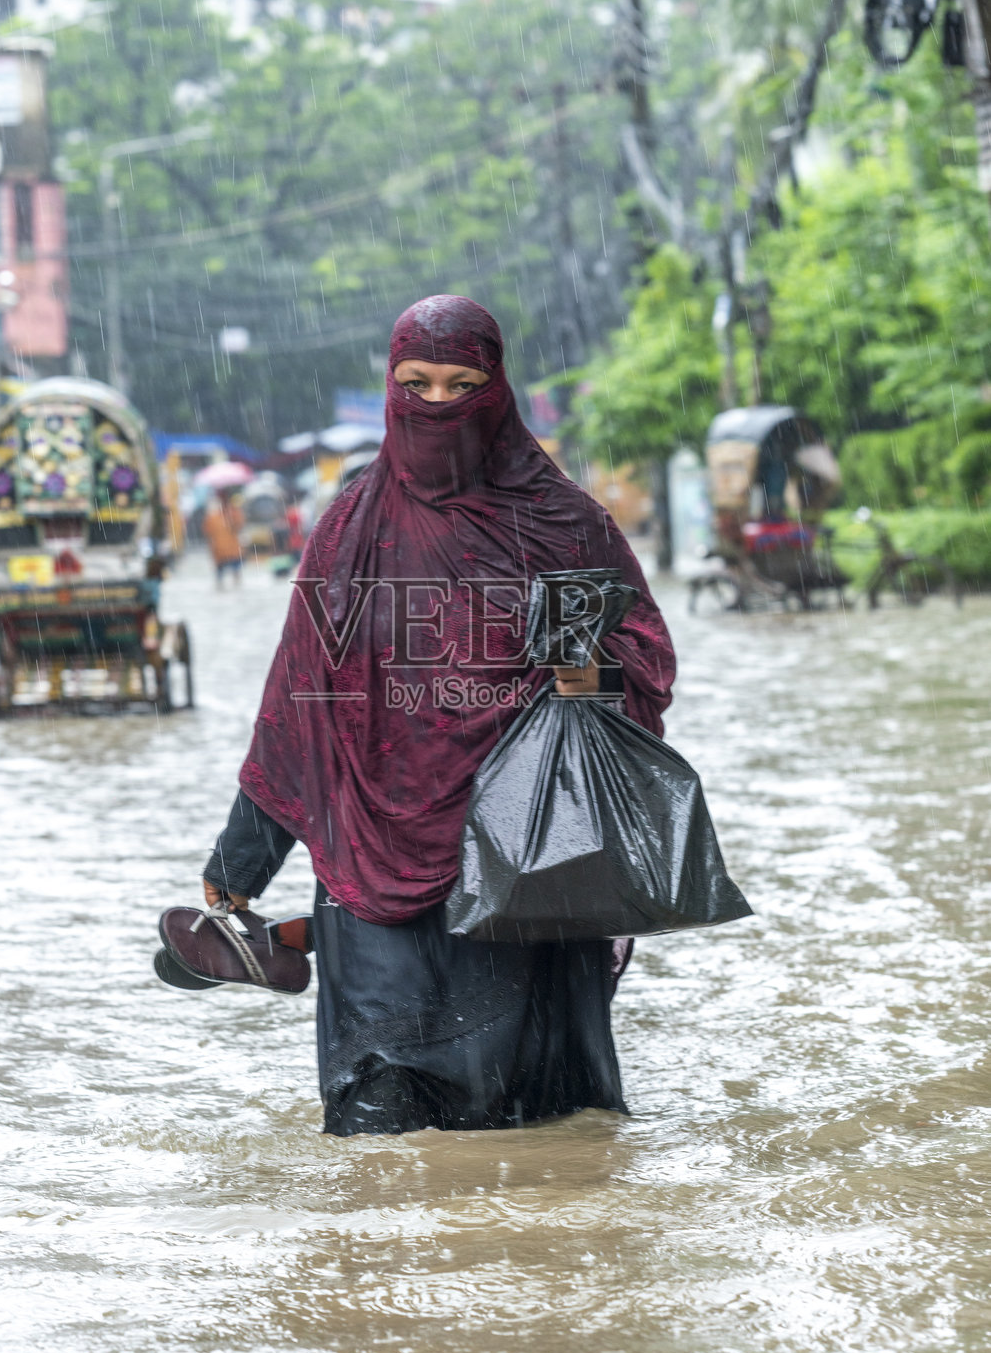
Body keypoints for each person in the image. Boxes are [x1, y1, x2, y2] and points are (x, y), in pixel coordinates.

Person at [170, 296, 676, 1137]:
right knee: (381, 1130)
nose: (437, 407)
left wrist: (585, 673)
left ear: (497, 387)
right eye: (416, 384)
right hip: (374, 891)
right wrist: (241, 860)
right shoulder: (349, 534)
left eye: (460, 385)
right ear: (389, 389)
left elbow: (645, 664)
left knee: (537, 1135)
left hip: (523, 870)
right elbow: (303, 704)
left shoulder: (564, 524)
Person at [201, 488, 245, 588]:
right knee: (223, 578)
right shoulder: (213, 516)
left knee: (235, 577)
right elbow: (207, 531)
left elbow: (239, 526)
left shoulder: (233, 513)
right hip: (221, 552)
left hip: (230, 551)